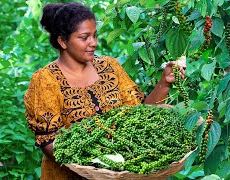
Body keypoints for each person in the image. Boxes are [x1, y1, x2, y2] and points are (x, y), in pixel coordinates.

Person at [24, 2, 185, 179]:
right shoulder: (46, 80)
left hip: (121, 171)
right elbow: (48, 142)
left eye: (94, 35)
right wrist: (97, 160)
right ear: (63, 41)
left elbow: (143, 113)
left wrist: (165, 81)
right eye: (84, 37)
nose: (93, 43)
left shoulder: (109, 67)